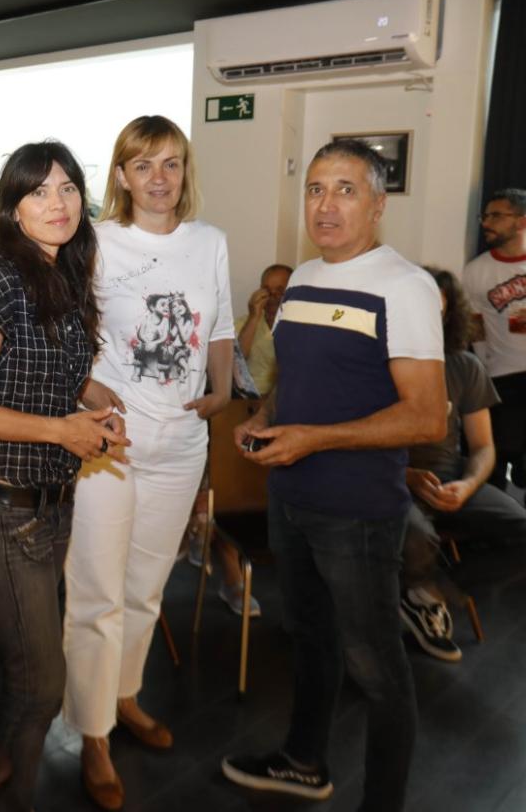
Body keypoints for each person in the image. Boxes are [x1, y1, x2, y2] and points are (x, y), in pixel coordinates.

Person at [223, 139, 447, 811]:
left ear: (378, 205)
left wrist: (313, 439)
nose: (326, 204)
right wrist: (263, 415)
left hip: (356, 511)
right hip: (290, 496)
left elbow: (427, 418)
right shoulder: (307, 281)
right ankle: (302, 761)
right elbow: (293, 379)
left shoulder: (403, 287)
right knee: (310, 639)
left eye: (345, 190)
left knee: (376, 665)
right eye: (316, 188)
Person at [0, 141, 124, 812]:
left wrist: (91, 398)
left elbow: (38, 377)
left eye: (68, 188)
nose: (58, 203)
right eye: (40, 192)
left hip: (48, 502)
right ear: (12, 209)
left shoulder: (61, 273)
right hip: (3, 508)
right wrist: (61, 430)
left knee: (9, 665)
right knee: (41, 684)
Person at [61, 116, 234, 808]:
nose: (159, 178)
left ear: (185, 172)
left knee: (145, 588)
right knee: (98, 591)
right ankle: (93, 732)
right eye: (143, 165)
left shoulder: (210, 241)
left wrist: (223, 390)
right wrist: (83, 386)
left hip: (181, 443)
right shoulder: (96, 241)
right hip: (111, 442)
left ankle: (124, 697)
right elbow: (61, 326)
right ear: (122, 176)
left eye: (171, 163)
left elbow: (219, 324)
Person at [401, 267, 526, 662]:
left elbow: (484, 447)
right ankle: (414, 599)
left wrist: (468, 486)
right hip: (388, 480)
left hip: (452, 478)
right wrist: (404, 476)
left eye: (432, 306)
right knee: (416, 535)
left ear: (448, 311)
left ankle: (429, 593)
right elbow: (351, 446)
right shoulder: (376, 364)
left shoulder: (465, 366)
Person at [462, 188, 526, 489]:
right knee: (497, 458)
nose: (486, 222)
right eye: (485, 216)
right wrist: (485, 373)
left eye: (496, 216)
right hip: (502, 378)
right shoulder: (476, 272)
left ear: (521, 222)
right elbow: (476, 328)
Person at [235, 263, 291, 396]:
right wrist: (254, 317)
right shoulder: (243, 322)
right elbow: (237, 361)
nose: (272, 296)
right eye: (266, 290)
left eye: (280, 291)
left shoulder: (300, 326)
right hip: (247, 399)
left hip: (283, 400)